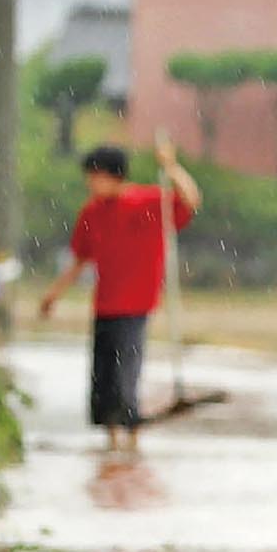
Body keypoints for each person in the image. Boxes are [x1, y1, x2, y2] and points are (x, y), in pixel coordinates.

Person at [38, 140, 202, 452]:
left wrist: (171, 166)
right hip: (105, 305)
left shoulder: (148, 203)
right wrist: (53, 294)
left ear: (112, 175)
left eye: (94, 176)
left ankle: (131, 435)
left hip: (136, 304)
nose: (90, 183)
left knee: (125, 370)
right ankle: (111, 442)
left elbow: (190, 200)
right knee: (103, 374)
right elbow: (80, 259)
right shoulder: (91, 212)